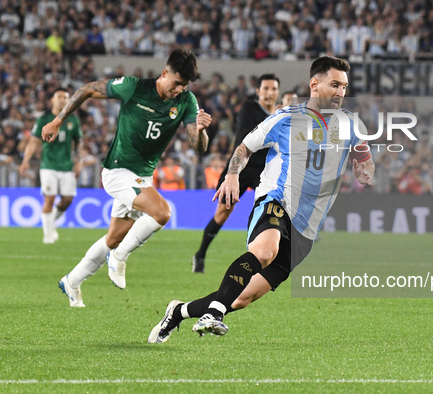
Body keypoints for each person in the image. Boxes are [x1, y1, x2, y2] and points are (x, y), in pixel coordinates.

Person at [149, 56, 374, 343]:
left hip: (306, 228)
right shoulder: (286, 118)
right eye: (334, 84)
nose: (341, 92)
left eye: (344, 86)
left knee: (242, 298)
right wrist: (232, 175)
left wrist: (364, 169)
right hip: (276, 200)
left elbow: (365, 159)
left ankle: (178, 312)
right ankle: (214, 313)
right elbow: (245, 147)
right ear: (314, 85)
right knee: (265, 250)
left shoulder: (351, 125)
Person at [43, 49, 211, 307]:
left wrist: (200, 131)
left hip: (142, 177)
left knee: (113, 238)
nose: (179, 89)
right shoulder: (134, 87)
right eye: (176, 83)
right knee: (162, 213)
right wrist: (57, 120)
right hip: (118, 171)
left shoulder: (187, 101)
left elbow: (199, 148)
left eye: (184, 85)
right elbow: (87, 89)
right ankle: (119, 257)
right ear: (165, 73)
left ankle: (72, 281)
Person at [192, 74, 280, 273]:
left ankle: (262, 257)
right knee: (222, 214)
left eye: (273, 89)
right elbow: (245, 137)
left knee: (269, 211)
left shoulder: (281, 113)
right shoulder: (250, 108)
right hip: (240, 168)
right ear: (258, 92)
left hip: (264, 172)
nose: (269, 93)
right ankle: (200, 254)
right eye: (265, 89)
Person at [19, 88, 82, 244]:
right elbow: (33, 141)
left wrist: (79, 161)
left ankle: (49, 222)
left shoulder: (73, 120)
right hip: (48, 165)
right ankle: (48, 236)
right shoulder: (44, 119)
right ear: (52, 100)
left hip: (67, 165)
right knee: (49, 198)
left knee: (68, 199)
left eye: (66, 97)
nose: (63, 99)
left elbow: (79, 143)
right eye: (59, 97)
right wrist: (26, 160)